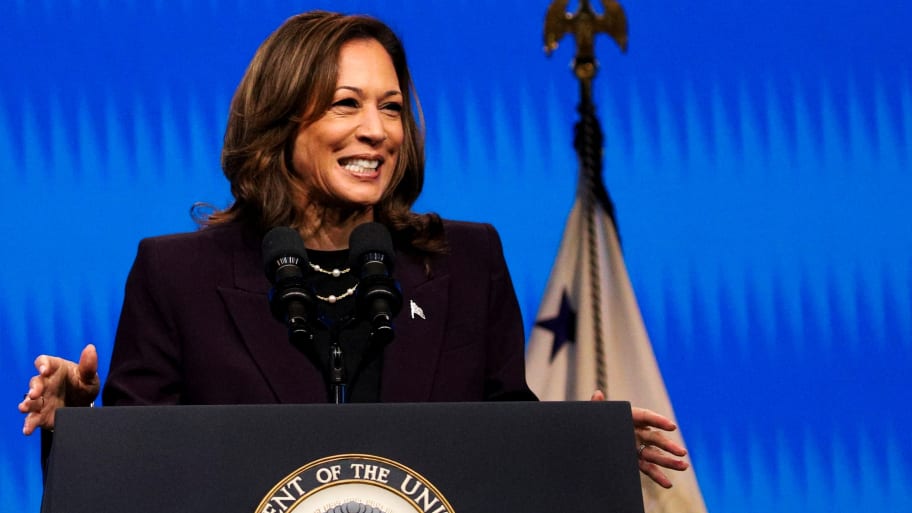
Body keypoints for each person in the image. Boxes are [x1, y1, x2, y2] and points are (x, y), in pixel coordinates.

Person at [18, 10, 689, 488]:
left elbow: (499, 446)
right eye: (347, 104)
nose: (377, 131)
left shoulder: (464, 261)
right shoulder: (178, 275)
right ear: (282, 120)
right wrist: (77, 428)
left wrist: (583, 445)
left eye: (392, 107)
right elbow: (140, 483)